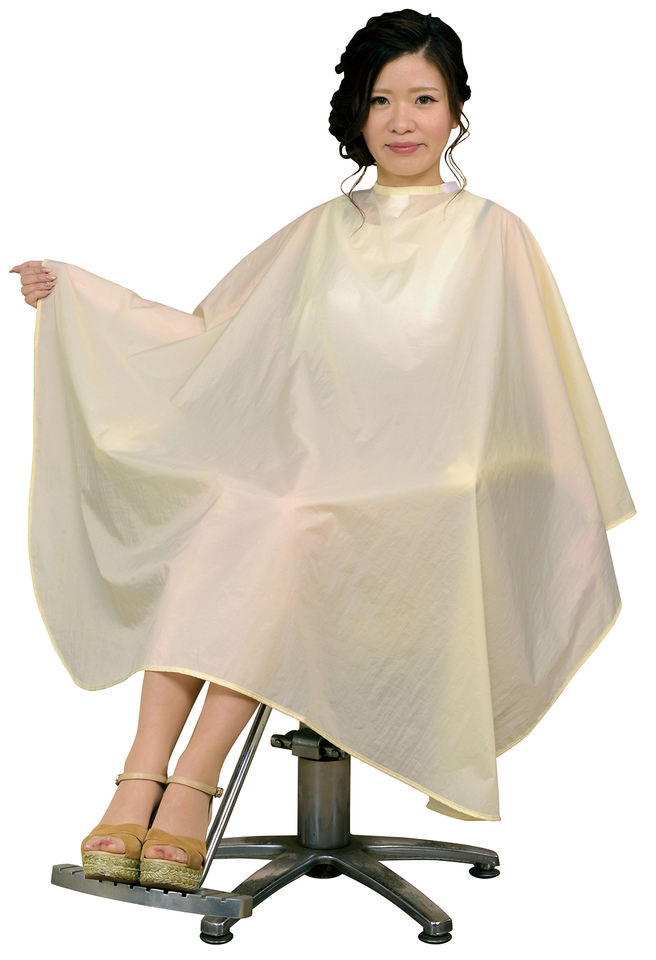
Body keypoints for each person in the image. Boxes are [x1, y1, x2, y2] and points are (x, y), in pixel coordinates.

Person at [11, 9, 635, 896]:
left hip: (429, 499)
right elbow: (212, 337)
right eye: (381, 100)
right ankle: (144, 773)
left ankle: (190, 783)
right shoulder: (320, 232)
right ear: (358, 113)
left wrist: (466, 473)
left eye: (424, 99)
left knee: (278, 518)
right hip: (311, 484)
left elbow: (533, 399)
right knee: (241, 506)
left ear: (458, 110)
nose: (402, 120)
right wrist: (81, 296)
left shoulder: (494, 234)